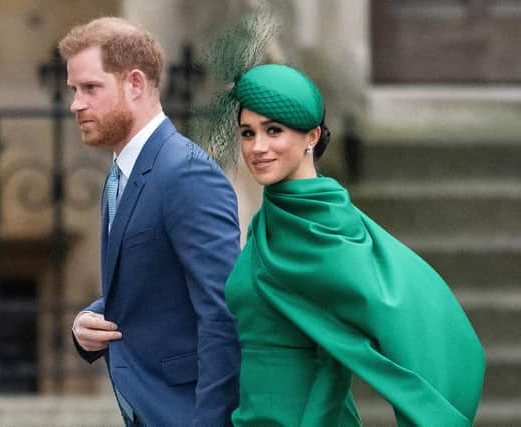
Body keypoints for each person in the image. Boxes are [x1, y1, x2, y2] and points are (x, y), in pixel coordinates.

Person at [220, 64, 485, 426]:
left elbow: (341, 349)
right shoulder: (268, 220)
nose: (257, 147)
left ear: (311, 137)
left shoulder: (326, 225)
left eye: (274, 131)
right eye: (247, 133)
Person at [59, 17, 240, 427]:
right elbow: (155, 281)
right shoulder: (121, 172)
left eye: (90, 88)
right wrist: (88, 323)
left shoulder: (187, 173)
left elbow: (223, 312)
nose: (75, 104)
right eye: (74, 90)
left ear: (135, 84)